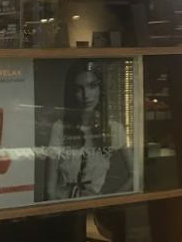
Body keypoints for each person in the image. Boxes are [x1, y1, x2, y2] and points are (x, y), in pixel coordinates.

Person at [44, 60, 133, 200]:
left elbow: (135, 174)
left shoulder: (114, 129)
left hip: (95, 206)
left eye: (92, 86)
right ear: (72, 93)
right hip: (63, 206)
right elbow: (49, 190)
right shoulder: (60, 128)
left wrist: (107, 202)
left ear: (100, 89)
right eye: (79, 89)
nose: (86, 95)